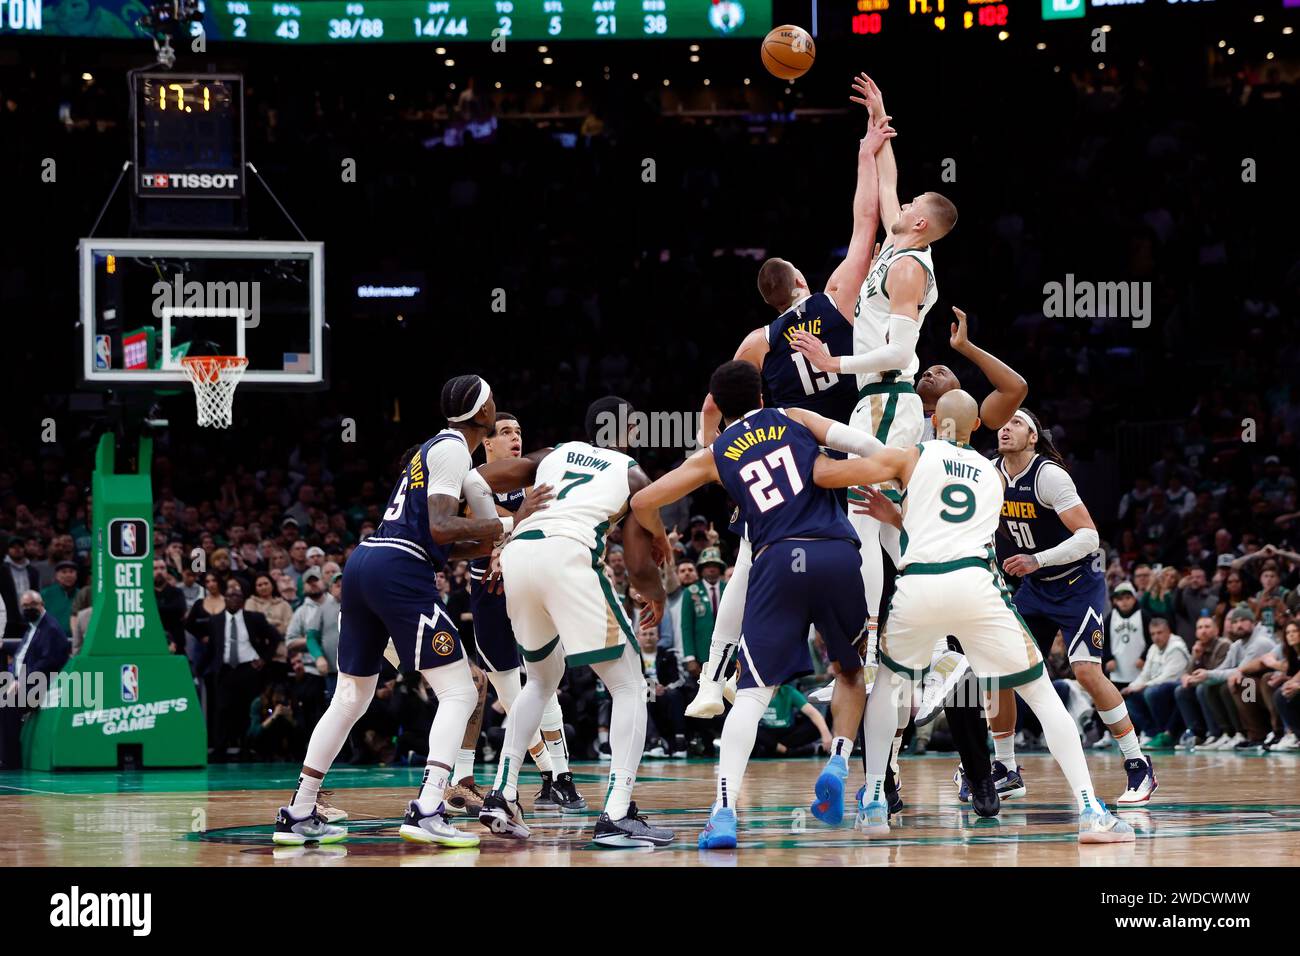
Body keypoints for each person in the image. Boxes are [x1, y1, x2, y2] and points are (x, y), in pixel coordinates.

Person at [831, 390, 1133, 842]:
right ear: (978, 428)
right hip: (975, 585)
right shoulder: (993, 479)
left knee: (890, 688)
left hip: (919, 586)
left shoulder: (914, 455)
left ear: (935, 422)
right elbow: (960, 531)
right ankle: (1092, 812)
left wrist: (886, 509)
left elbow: (848, 476)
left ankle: (874, 801)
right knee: (1041, 693)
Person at [684, 85, 894, 719]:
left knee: (753, 559)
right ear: (802, 283)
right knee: (880, 527)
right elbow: (866, 223)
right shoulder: (836, 297)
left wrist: (711, 454)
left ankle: (712, 678)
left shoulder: (756, 341)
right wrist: (867, 152)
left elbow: (714, 401)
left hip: (779, 455)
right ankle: (871, 654)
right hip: (838, 433)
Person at [273, 375, 551, 848]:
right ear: (481, 413)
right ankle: (428, 808)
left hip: (368, 563)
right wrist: (509, 520)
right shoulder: (451, 449)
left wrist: (506, 529)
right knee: (461, 692)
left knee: (351, 698)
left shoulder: (436, 452)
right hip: (399, 569)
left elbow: (448, 541)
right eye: (495, 406)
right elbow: (442, 527)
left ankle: (298, 811)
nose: (498, 411)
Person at [631, 360, 877, 849]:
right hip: (837, 552)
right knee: (851, 670)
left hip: (777, 560)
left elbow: (643, 503)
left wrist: (661, 540)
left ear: (718, 407)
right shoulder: (796, 417)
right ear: (763, 393)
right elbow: (865, 447)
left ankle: (723, 812)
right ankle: (840, 761)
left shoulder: (716, 453)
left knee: (751, 693)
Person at [791, 74, 958, 688]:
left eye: (913, 205)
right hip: (874, 401)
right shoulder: (899, 238)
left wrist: (835, 365)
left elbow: (901, 349)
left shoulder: (911, 268)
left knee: (864, 516)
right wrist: (878, 120)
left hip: (887, 399)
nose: (904, 202)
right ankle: (941, 643)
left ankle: (875, 635)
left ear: (921, 224)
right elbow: (887, 181)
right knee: (885, 523)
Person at [471, 396, 670, 848]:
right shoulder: (632, 472)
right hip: (568, 555)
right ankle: (618, 812)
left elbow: (476, 478)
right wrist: (655, 591)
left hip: (519, 556)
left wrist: (505, 520)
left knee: (540, 681)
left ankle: (501, 792)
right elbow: (638, 566)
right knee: (628, 684)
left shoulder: (553, 454)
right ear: (629, 429)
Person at [990, 408, 1158, 807]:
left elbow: (1089, 537)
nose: (1005, 428)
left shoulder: (1048, 475)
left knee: (1086, 671)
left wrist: (1037, 559)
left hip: (1076, 585)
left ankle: (1138, 764)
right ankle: (1006, 769)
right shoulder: (991, 474)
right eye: (1003, 423)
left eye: (1016, 423)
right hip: (1035, 588)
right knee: (998, 672)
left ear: (1033, 437)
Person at [463, 412, 585, 815]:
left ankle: (561, 777)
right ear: (488, 444)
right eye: (506, 432)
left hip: (527, 584)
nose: (515, 438)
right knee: (512, 693)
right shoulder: (471, 481)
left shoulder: (535, 479)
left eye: (519, 432)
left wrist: (511, 542)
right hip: (487, 592)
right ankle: (549, 772)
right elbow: (476, 533)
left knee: (544, 679)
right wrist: (504, 537)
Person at [201, 578, 283, 759]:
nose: (233, 599)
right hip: (225, 670)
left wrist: (264, 659)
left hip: (249, 669)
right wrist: (203, 668)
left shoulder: (254, 618)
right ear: (225, 599)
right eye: (230, 596)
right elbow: (212, 646)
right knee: (222, 710)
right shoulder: (215, 620)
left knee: (247, 710)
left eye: (237, 596)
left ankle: (248, 748)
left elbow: (275, 637)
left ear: (243, 600)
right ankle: (220, 748)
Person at [0, 590, 71, 769]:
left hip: (42, 684)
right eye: (24, 606)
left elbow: (48, 663)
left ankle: (10, 759)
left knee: (7, 704)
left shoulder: (51, 629)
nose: (28, 609)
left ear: (42, 605)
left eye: (32, 605)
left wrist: (21, 681)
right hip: (25, 681)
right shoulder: (33, 627)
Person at [1119, 618, 1191, 747]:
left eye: (1160, 632)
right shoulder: (1153, 648)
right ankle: (1152, 732)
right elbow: (1145, 674)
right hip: (1157, 688)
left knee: (1151, 692)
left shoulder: (1176, 648)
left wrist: (1143, 686)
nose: (1156, 637)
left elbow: (1169, 677)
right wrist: (1131, 687)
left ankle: (1166, 734)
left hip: (1176, 687)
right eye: (1153, 634)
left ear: (1169, 632)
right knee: (1126, 698)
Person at [754, 684, 833, 759]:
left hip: (786, 735)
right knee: (752, 730)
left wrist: (825, 734)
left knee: (816, 726)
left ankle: (776, 750)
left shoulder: (788, 691)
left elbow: (813, 713)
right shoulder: (755, 693)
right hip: (765, 734)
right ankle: (785, 751)